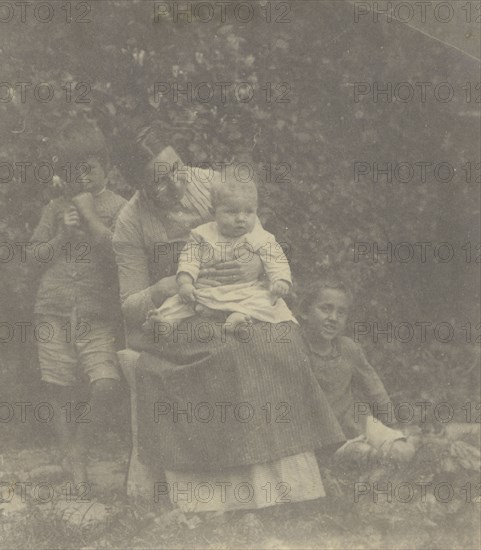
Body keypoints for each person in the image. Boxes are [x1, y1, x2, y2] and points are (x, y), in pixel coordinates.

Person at [113, 124, 345, 513]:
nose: (175, 184)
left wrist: (250, 268)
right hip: (180, 312)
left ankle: (288, 484)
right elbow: (129, 304)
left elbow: (260, 241)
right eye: (160, 181)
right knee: (230, 351)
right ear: (139, 187)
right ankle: (222, 491)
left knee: (281, 341)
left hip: (240, 298)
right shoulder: (130, 223)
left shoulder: (215, 186)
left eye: (177, 168)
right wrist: (166, 285)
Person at [31, 119, 127, 484]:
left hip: (95, 310)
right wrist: (61, 235)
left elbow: (122, 258)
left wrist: (88, 220)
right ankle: (72, 463)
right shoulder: (56, 207)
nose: (82, 178)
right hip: (53, 306)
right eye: (74, 171)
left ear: (106, 166)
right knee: (57, 384)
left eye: (89, 169)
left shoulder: (120, 208)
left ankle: (78, 450)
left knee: (106, 383)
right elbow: (35, 256)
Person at [145, 174, 296, 336]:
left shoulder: (260, 236)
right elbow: (189, 259)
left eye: (249, 212)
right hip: (206, 292)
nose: (241, 218)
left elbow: (275, 259)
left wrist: (280, 279)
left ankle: (238, 318)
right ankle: (166, 323)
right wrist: (185, 283)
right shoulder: (201, 234)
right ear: (213, 212)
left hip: (245, 291)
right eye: (231, 212)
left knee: (264, 300)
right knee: (178, 302)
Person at [298, 278, 415, 466]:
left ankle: (382, 464)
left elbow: (374, 389)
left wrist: (391, 425)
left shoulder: (348, 348)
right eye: (326, 309)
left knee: (403, 450)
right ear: (304, 311)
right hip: (321, 436)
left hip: (355, 423)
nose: (333, 318)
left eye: (341, 312)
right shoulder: (296, 349)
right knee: (362, 454)